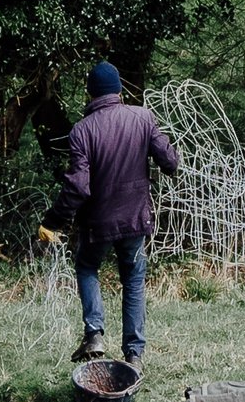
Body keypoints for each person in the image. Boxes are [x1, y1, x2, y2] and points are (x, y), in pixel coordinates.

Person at [61, 60, 178, 375]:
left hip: (97, 223)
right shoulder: (142, 118)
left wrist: (54, 219)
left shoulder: (81, 131)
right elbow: (170, 161)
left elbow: (77, 186)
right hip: (134, 221)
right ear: (119, 90)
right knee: (134, 280)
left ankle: (94, 334)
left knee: (87, 266)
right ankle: (135, 354)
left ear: (90, 93)